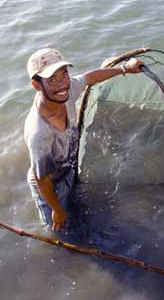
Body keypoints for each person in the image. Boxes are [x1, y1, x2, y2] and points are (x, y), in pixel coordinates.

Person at [24, 48, 143, 232]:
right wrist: (56, 209)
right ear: (37, 85)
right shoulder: (39, 131)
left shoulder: (67, 89)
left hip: (67, 170)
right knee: (59, 231)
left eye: (64, 74)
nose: (62, 85)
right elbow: (42, 179)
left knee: (76, 211)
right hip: (49, 186)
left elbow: (90, 77)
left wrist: (125, 69)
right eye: (52, 80)